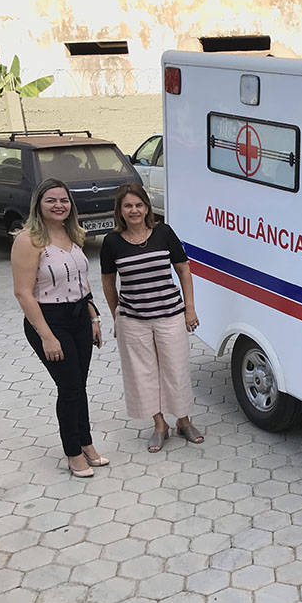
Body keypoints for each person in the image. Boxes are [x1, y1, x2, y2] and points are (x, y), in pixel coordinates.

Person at [11, 178, 108, 478]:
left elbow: (81, 280)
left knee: (80, 385)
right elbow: (23, 293)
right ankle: (72, 452)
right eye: (51, 200)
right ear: (38, 204)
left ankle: (86, 443)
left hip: (79, 317)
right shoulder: (28, 240)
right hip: (50, 321)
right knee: (69, 388)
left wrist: (93, 317)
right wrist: (47, 336)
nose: (59, 205)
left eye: (64, 200)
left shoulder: (72, 232)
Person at [100, 183, 204, 452]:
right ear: (120, 210)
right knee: (143, 374)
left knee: (176, 369)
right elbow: (108, 282)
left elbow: (183, 270)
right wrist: (117, 315)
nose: (134, 210)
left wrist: (190, 308)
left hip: (170, 315)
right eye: (128, 206)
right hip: (133, 320)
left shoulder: (163, 233)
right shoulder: (112, 242)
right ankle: (159, 425)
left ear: (147, 208)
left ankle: (183, 420)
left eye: (139, 205)